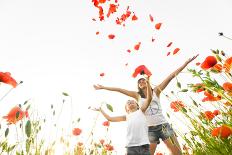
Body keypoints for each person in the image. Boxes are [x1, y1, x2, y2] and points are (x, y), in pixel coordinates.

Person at [93, 55, 198, 155]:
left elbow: (170, 77)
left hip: (163, 126)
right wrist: (104, 87)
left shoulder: (156, 91)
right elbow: (120, 90)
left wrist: (185, 63)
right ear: (138, 86)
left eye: (143, 80)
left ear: (148, 82)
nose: (142, 81)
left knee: (178, 153)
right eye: (140, 82)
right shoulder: (137, 96)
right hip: (149, 130)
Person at [92, 77, 152, 155]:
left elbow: (149, 98)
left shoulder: (141, 111)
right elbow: (109, 118)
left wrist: (148, 83)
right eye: (128, 102)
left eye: (132, 101)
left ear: (138, 106)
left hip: (144, 145)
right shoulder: (126, 117)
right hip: (131, 146)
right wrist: (100, 110)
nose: (130, 102)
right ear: (126, 109)